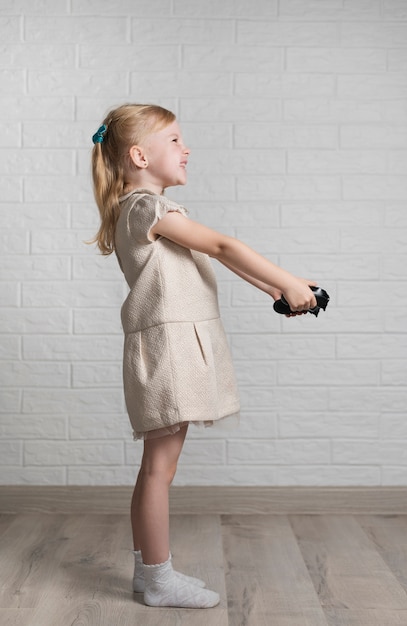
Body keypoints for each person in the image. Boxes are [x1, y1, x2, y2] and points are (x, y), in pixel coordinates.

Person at [90, 103, 317, 609]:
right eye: (174, 140)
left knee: (157, 467)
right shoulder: (147, 208)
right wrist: (285, 280)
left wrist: (278, 290)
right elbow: (221, 244)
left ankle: (149, 571)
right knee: (159, 469)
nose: (186, 148)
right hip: (168, 350)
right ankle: (156, 578)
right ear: (140, 155)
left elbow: (213, 256)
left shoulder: (149, 210)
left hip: (172, 347)